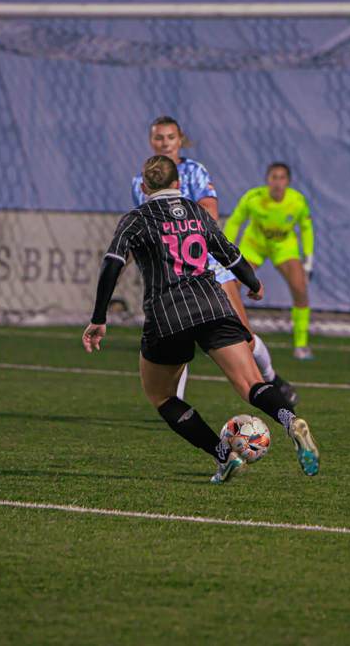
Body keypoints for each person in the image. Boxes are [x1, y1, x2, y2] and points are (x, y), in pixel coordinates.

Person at [85, 155, 319, 483]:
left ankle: (224, 456)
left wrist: (98, 318)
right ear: (178, 184)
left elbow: (112, 263)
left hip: (168, 315)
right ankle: (289, 420)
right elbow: (229, 253)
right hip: (213, 305)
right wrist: (252, 282)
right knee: (251, 383)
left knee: (162, 396)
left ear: (143, 187)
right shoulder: (197, 211)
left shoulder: (136, 219)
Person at [132, 117, 298, 404]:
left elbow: (209, 212)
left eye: (170, 137)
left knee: (243, 337)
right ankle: (176, 405)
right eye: (159, 138)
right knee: (175, 340)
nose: (165, 143)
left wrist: (178, 224)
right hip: (172, 272)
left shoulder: (194, 172)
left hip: (209, 266)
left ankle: (271, 377)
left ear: (179, 139)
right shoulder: (140, 181)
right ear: (151, 141)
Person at [224, 163, 315, 360]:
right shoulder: (254, 198)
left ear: (288, 181)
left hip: (284, 247)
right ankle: (228, 339)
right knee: (230, 287)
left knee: (300, 288)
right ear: (267, 180)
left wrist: (308, 258)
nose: (277, 183)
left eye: (282, 178)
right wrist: (226, 248)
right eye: (274, 177)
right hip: (254, 245)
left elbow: (306, 228)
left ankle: (301, 345)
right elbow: (235, 221)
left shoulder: (297, 201)